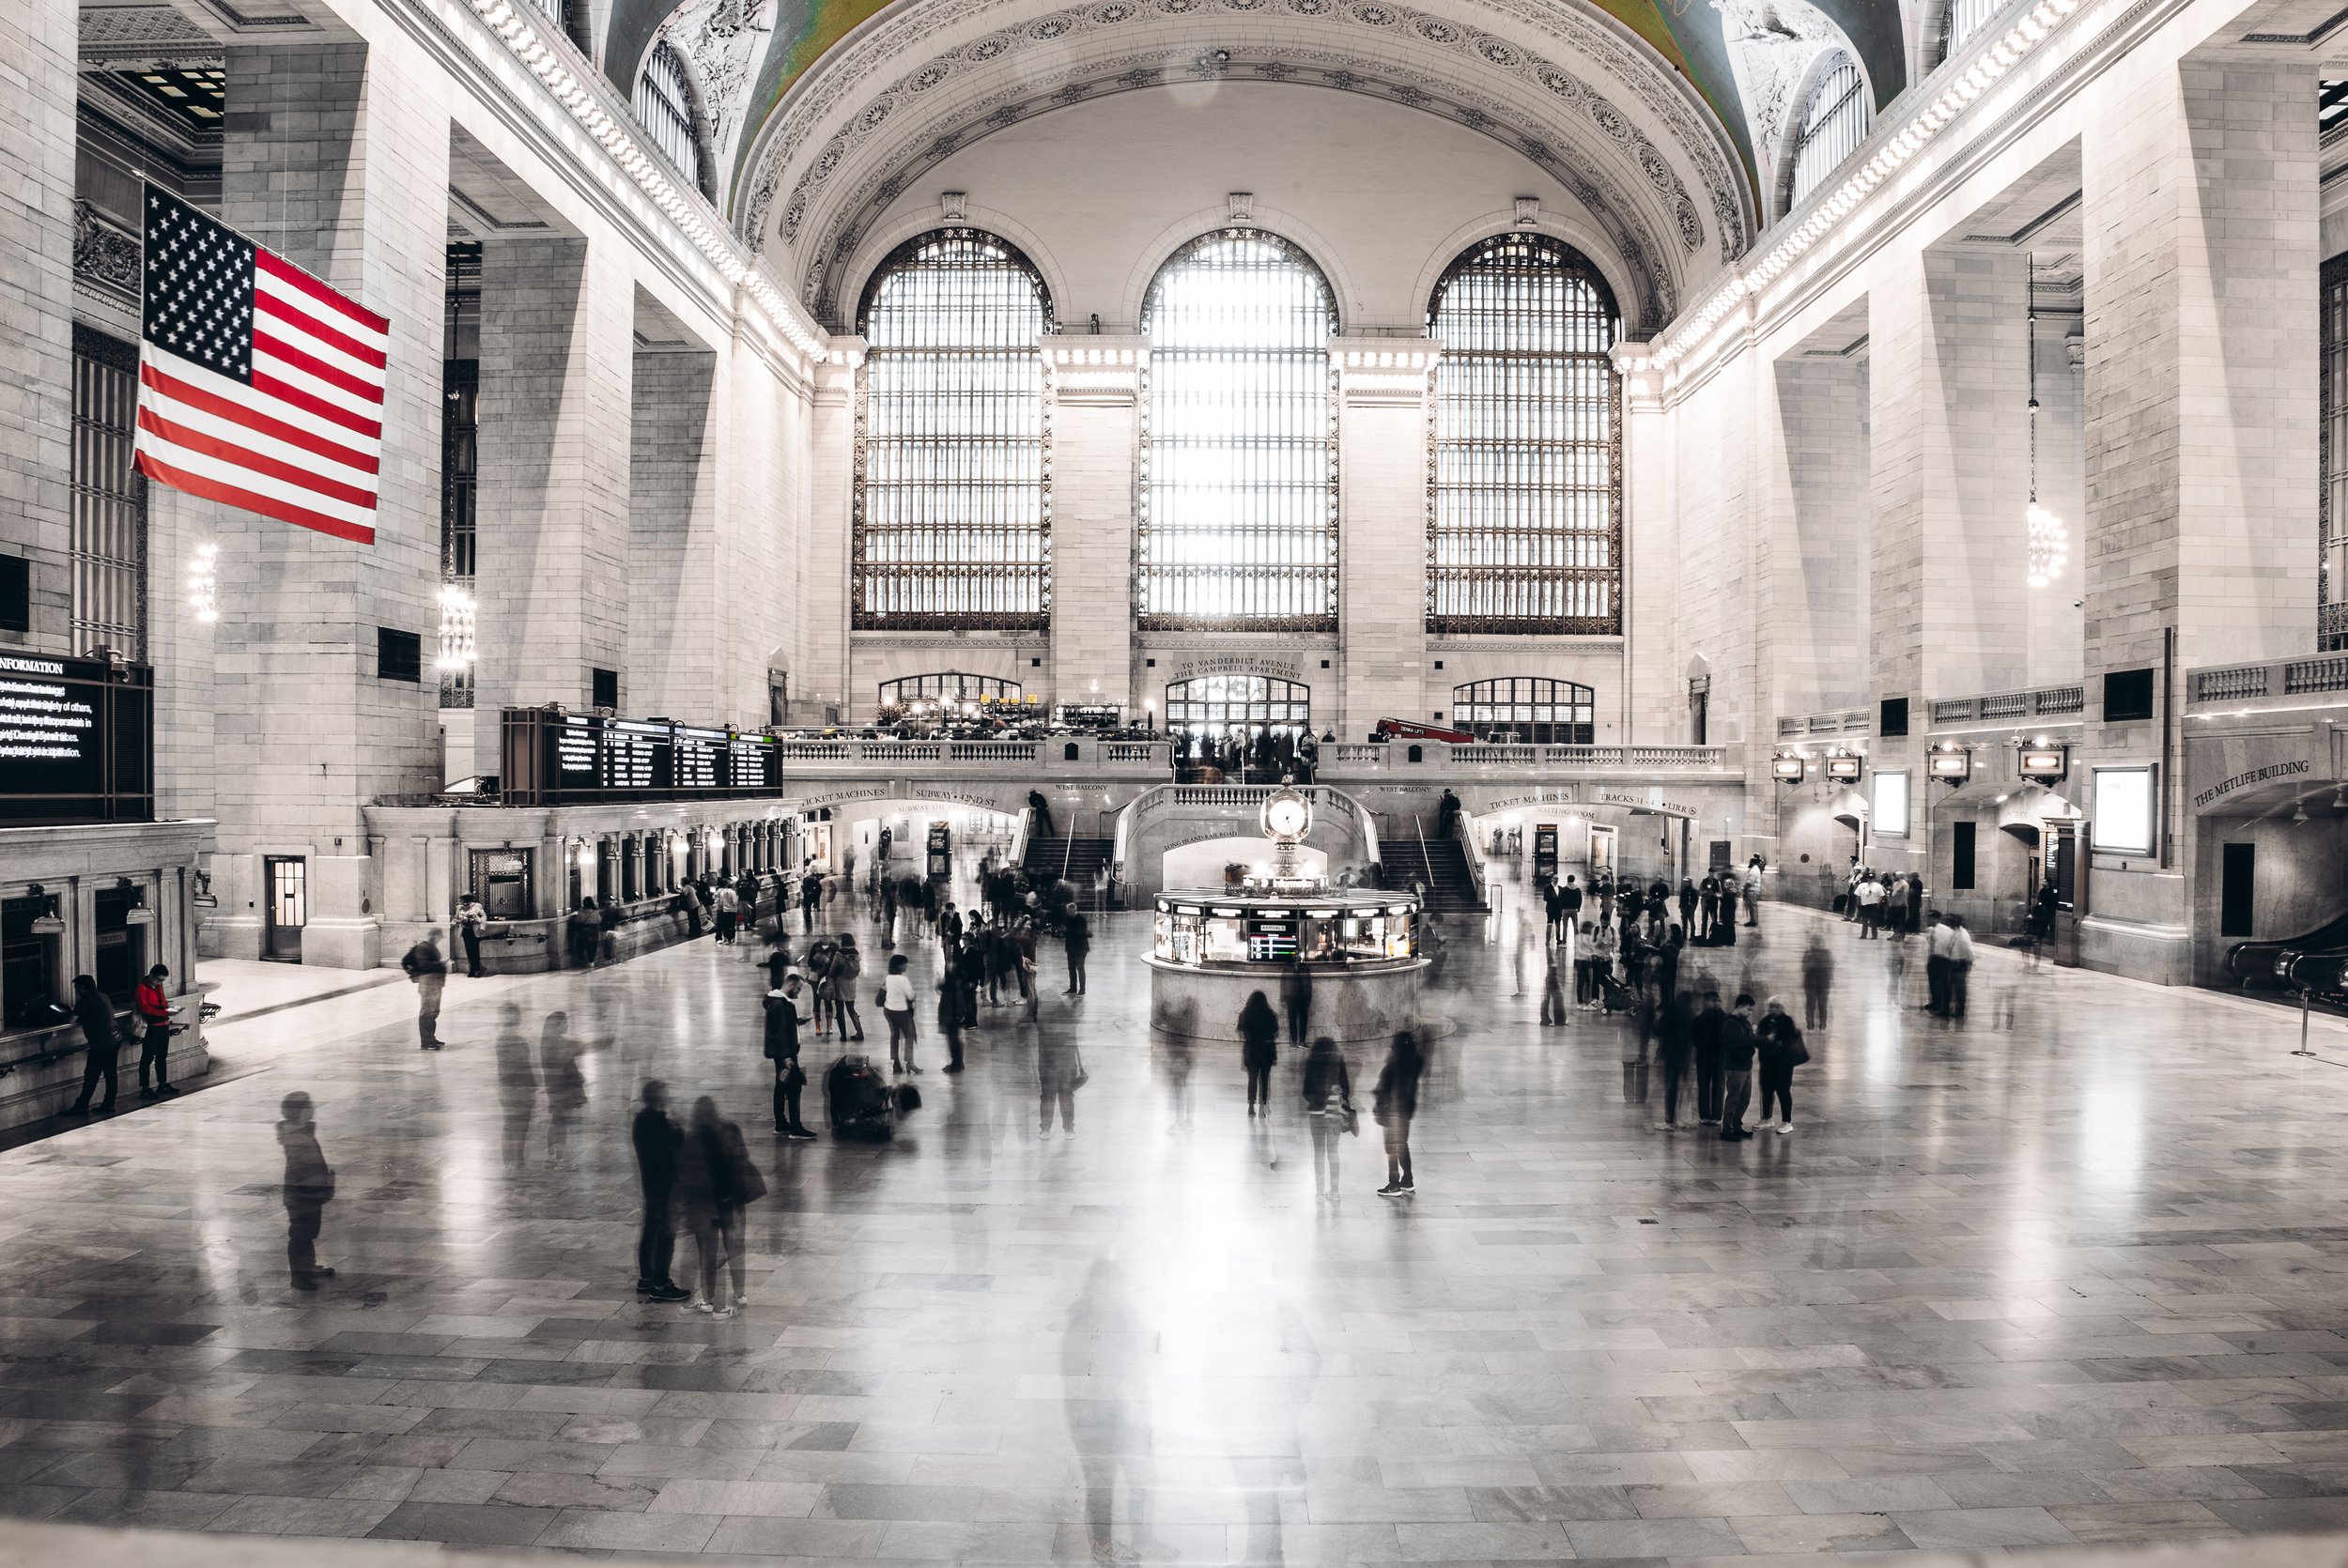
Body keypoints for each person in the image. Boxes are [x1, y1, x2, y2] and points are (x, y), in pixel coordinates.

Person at [677, 1096, 763, 1315]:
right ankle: (740, 1293)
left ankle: (710, 1297)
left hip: (706, 1206)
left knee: (708, 1252)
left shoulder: (692, 1139)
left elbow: (687, 1175)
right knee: (735, 1248)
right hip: (731, 1200)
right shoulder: (729, 1130)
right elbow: (743, 1156)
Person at [631, 1082, 691, 1301]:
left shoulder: (640, 1119)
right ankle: (661, 1284)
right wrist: (677, 1126)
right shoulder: (661, 1123)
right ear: (660, 1097)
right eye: (666, 1092)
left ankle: (646, 1276)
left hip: (650, 1183)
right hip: (666, 1184)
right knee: (666, 1233)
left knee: (650, 1229)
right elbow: (677, 1146)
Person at [277, 1091, 335, 1290]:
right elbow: (304, 1169)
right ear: (301, 1112)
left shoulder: (300, 1133)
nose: (313, 1108)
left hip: (307, 1194)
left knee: (307, 1233)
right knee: (301, 1235)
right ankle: (300, 1277)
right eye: (309, 1105)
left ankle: (308, 1267)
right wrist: (322, 1185)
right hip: (302, 1195)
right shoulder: (297, 1139)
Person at [1301, 1037, 1353, 1199]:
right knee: (1333, 1152)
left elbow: (1306, 1091)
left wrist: (1316, 1099)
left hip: (1316, 1113)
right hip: (1334, 1114)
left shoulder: (1312, 1061)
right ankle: (1335, 1190)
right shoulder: (1338, 1061)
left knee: (1318, 1153)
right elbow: (1346, 1089)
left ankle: (1319, 1191)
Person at [1372, 1031, 1423, 1196]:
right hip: (1406, 1110)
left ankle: (1393, 1184)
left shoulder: (1394, 1065)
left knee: (1391, 1148)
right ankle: (1408, 1180)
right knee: (1402, 1145)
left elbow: (1384, 1088)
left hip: (1393, 1110)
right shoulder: (1415, 1062)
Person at [765, 973, 815, 1137]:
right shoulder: (780, 1005)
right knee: (794, 1088)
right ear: (791, 985)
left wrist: (797, 1021)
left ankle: (781, 1124)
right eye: (798, 989)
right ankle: (796, 1128)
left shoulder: (780, 1003)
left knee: (781, 1087)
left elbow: (781, 1025)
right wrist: (787, 1058)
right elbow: (779, 1032)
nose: (798, 993)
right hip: (785, 1054)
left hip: (782, 1053)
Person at [67, 974, 121, 1115]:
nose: (76, 991)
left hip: (101, 1043)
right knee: (110, 1073)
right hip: (114, 1038)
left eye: (76, 988)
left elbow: (71, 1020)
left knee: (91, 1074)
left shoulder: (86, 1000)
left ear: (82, 988)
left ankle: (82, 1105)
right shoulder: (102, 995)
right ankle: (109, 1103)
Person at [1755, 998, 1806, 1133]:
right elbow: (1758, 1038)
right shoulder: (1765, 1021)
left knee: (1783, 1091)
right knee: (1766, 1090)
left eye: (1777, 1007)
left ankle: (1787, 1121)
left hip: (1783, 1064)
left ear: (1782, 1008)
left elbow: (1790, 1040)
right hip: (1767, 1063)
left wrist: (1777, 1042)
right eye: (1771, 1006)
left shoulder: (1787, 1022)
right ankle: (1766, 1118)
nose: (1773, 1009)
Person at [134, 963, 177, 1100]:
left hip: (163, 1025)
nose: (160, 983)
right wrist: (163, 1012)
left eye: (162, 981)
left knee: (161, 1056)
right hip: (152, 1027)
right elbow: (145, 1008)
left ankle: (162, 1083)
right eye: (158, 980)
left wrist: (168, 1011)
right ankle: (145, 1088)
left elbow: (162, 1002)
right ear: (151, 975)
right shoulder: (142, 988)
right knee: (147, 1057)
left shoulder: (158, 986)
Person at [400, 930, 449, 1050]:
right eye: (438, 937)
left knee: (433, 1012)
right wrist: (440, 965)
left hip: (434, 983)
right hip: (428, 984)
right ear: (434, 936)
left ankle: (431, 1038)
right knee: (427, 1012)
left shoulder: (431, 948)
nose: (439, 940)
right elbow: (424, 965)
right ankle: (426, 1041)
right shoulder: (423, 947)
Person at [1718, 995, 1757, 1140]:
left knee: (1745, 1099)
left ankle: (1736, 1125)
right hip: (1735, 1066)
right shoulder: (1730, 1023)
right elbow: (1740, 1042)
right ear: (1740, 1006)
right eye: (1748, 1009)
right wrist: (1752, 1045)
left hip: (1746, 1066)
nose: (1750, 1013)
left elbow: (1751, 1039)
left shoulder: (1744, 1023)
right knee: (1734, 1099)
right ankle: (1727, 1130)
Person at [1656, 986, 1694, 1130]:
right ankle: (1685, 1118)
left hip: (1671, 1055)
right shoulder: (1691, 1014)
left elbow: (1658, 1029)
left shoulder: (1672, 1012)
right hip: (1686, 1055)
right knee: (1686, 1087)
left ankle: (1670, 1120)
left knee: (1671, 1088)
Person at [1238, 991, 1279, 1115]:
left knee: (1252, 1079)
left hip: (1251, 1050)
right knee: (1265, 1080)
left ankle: (1251, 1105)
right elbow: (1275, 1032)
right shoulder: (1270, 1015)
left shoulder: (1245, 1014)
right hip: (1266, 1051)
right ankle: (1263, 1105)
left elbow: (1242, 1032)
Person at [1038, 1029, 1083, 1136]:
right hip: (1067, 1060)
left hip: (1047, 1058)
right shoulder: (1070, 1014)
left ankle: (1045, 1130)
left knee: (1048, 1097)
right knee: (1066, 1096)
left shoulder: (1043, 1015)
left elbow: (1032, 1018)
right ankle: (1069, 1130)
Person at [880, 953, 919, 1074]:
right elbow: (910, 995)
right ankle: (909, 1063)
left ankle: (896, 1064)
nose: (906, 966)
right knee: (910, 1035)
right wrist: (915, 995)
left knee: (894, 1036)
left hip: (888, 1010)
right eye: (904, 964)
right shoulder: (903, 979)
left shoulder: (888, 978)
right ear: (899, 966)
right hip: (901, 1011)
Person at [1691, 989, 1725, 1124]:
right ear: (1705, 1002)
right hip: (1707, 1057)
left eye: (1717, 1001)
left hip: (1713, 1057)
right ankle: (1706, 1116)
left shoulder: (1722, 1018)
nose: (1715, 1004)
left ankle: (1715, 1116)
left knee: (1716, 1087)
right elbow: (1694, 1038)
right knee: (1705, 1086)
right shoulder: (1700, 1020)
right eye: (1712, 1001)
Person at [832, 933, 866, 1043]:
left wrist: (828, 978)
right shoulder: (856, 953)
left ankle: (843, 1035)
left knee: (840, 1010)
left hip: (840, 983)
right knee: (851, 1009)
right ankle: (860, 1032)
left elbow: (833, 970)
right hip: (852, 983)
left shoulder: (839, 954)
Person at [1801, 934, 1833, 1030]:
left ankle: (1822, 1026)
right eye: (1814, 942)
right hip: (1810, 984)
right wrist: (1811, 962)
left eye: (1818, 942)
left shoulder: (1827, 953)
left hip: (1823, 983)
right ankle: (1810, 1026)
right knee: (1810, 1006)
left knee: (1822, 1006)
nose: (1816, 944)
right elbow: (1804, 968)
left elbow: (1830, 967)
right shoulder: (1808, 953)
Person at [1924, 911, 1954, 1014]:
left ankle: (1941, 1004)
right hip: (1934, 957)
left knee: (1941, 982)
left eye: (1930, 918)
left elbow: (1943, 945)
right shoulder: (1932, 930)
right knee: (1933, 982)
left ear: (1937, 919)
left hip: (1942, 958)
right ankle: (1935, 1001)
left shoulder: (1944, 930)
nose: (1928, 920)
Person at [454, 892, 489, 976]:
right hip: (465, 931)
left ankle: (477, 970)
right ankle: (472, 970)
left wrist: (482, 927)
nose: (464, 901)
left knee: (475, 951)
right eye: (463, 899)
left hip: (475, 931)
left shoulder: (477, 906)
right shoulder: (460, 908)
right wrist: (458, 921)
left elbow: (483, 916)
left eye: (466, 898)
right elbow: (456, 918)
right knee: (469, 951)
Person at [1948, 915, 1975, 1020]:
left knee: (1960, 988)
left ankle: (1960, 1010)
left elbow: (1968, 950)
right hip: (1958, 961)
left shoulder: (1963, 935)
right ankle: (1955, 1008)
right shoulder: (1958, 932)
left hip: (1961, 962)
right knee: (1956, 987)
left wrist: (1963, 963)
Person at [1281, 961, 1314, 1049]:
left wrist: (1309, 997)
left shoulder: (1304, 968)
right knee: (1292, 1019)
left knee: (1303, 1020)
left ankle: (1301, 1041)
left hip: (1303, 997)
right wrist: (1283, 998)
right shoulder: (1288, 968)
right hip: (1291, 997)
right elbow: (1283, 983)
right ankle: (1294, 1041)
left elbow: (1309, 983)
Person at [568, 898, 601, 969]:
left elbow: (577, 921)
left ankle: (582, 960)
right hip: (594, 931)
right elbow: (599, 920)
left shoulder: (581, 911)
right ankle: (591, 961)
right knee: (593, 946)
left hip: (584, 931)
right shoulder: (595, 911)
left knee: (581, 945)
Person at [1062, 911, 1089, 996]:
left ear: (1075, 911)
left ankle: (1082, 990)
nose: (1069, 913)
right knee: (1071, 968)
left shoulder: (1081, 919)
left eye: (1070, 912)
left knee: (1080, 968)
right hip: (1071, 948)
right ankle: (1073, 989)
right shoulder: (1067, 919)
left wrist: (1067, 930)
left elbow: (1079, 932)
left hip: (1081, 948)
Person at [713, 881, 741, 946]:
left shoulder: (720, 891)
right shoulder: (732, 892)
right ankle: (730, 938)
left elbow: (716, 899)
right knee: (731, 925)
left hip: (723, 909)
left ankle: (725, 938)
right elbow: (734, 902)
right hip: (730, 910)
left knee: (725, 925)